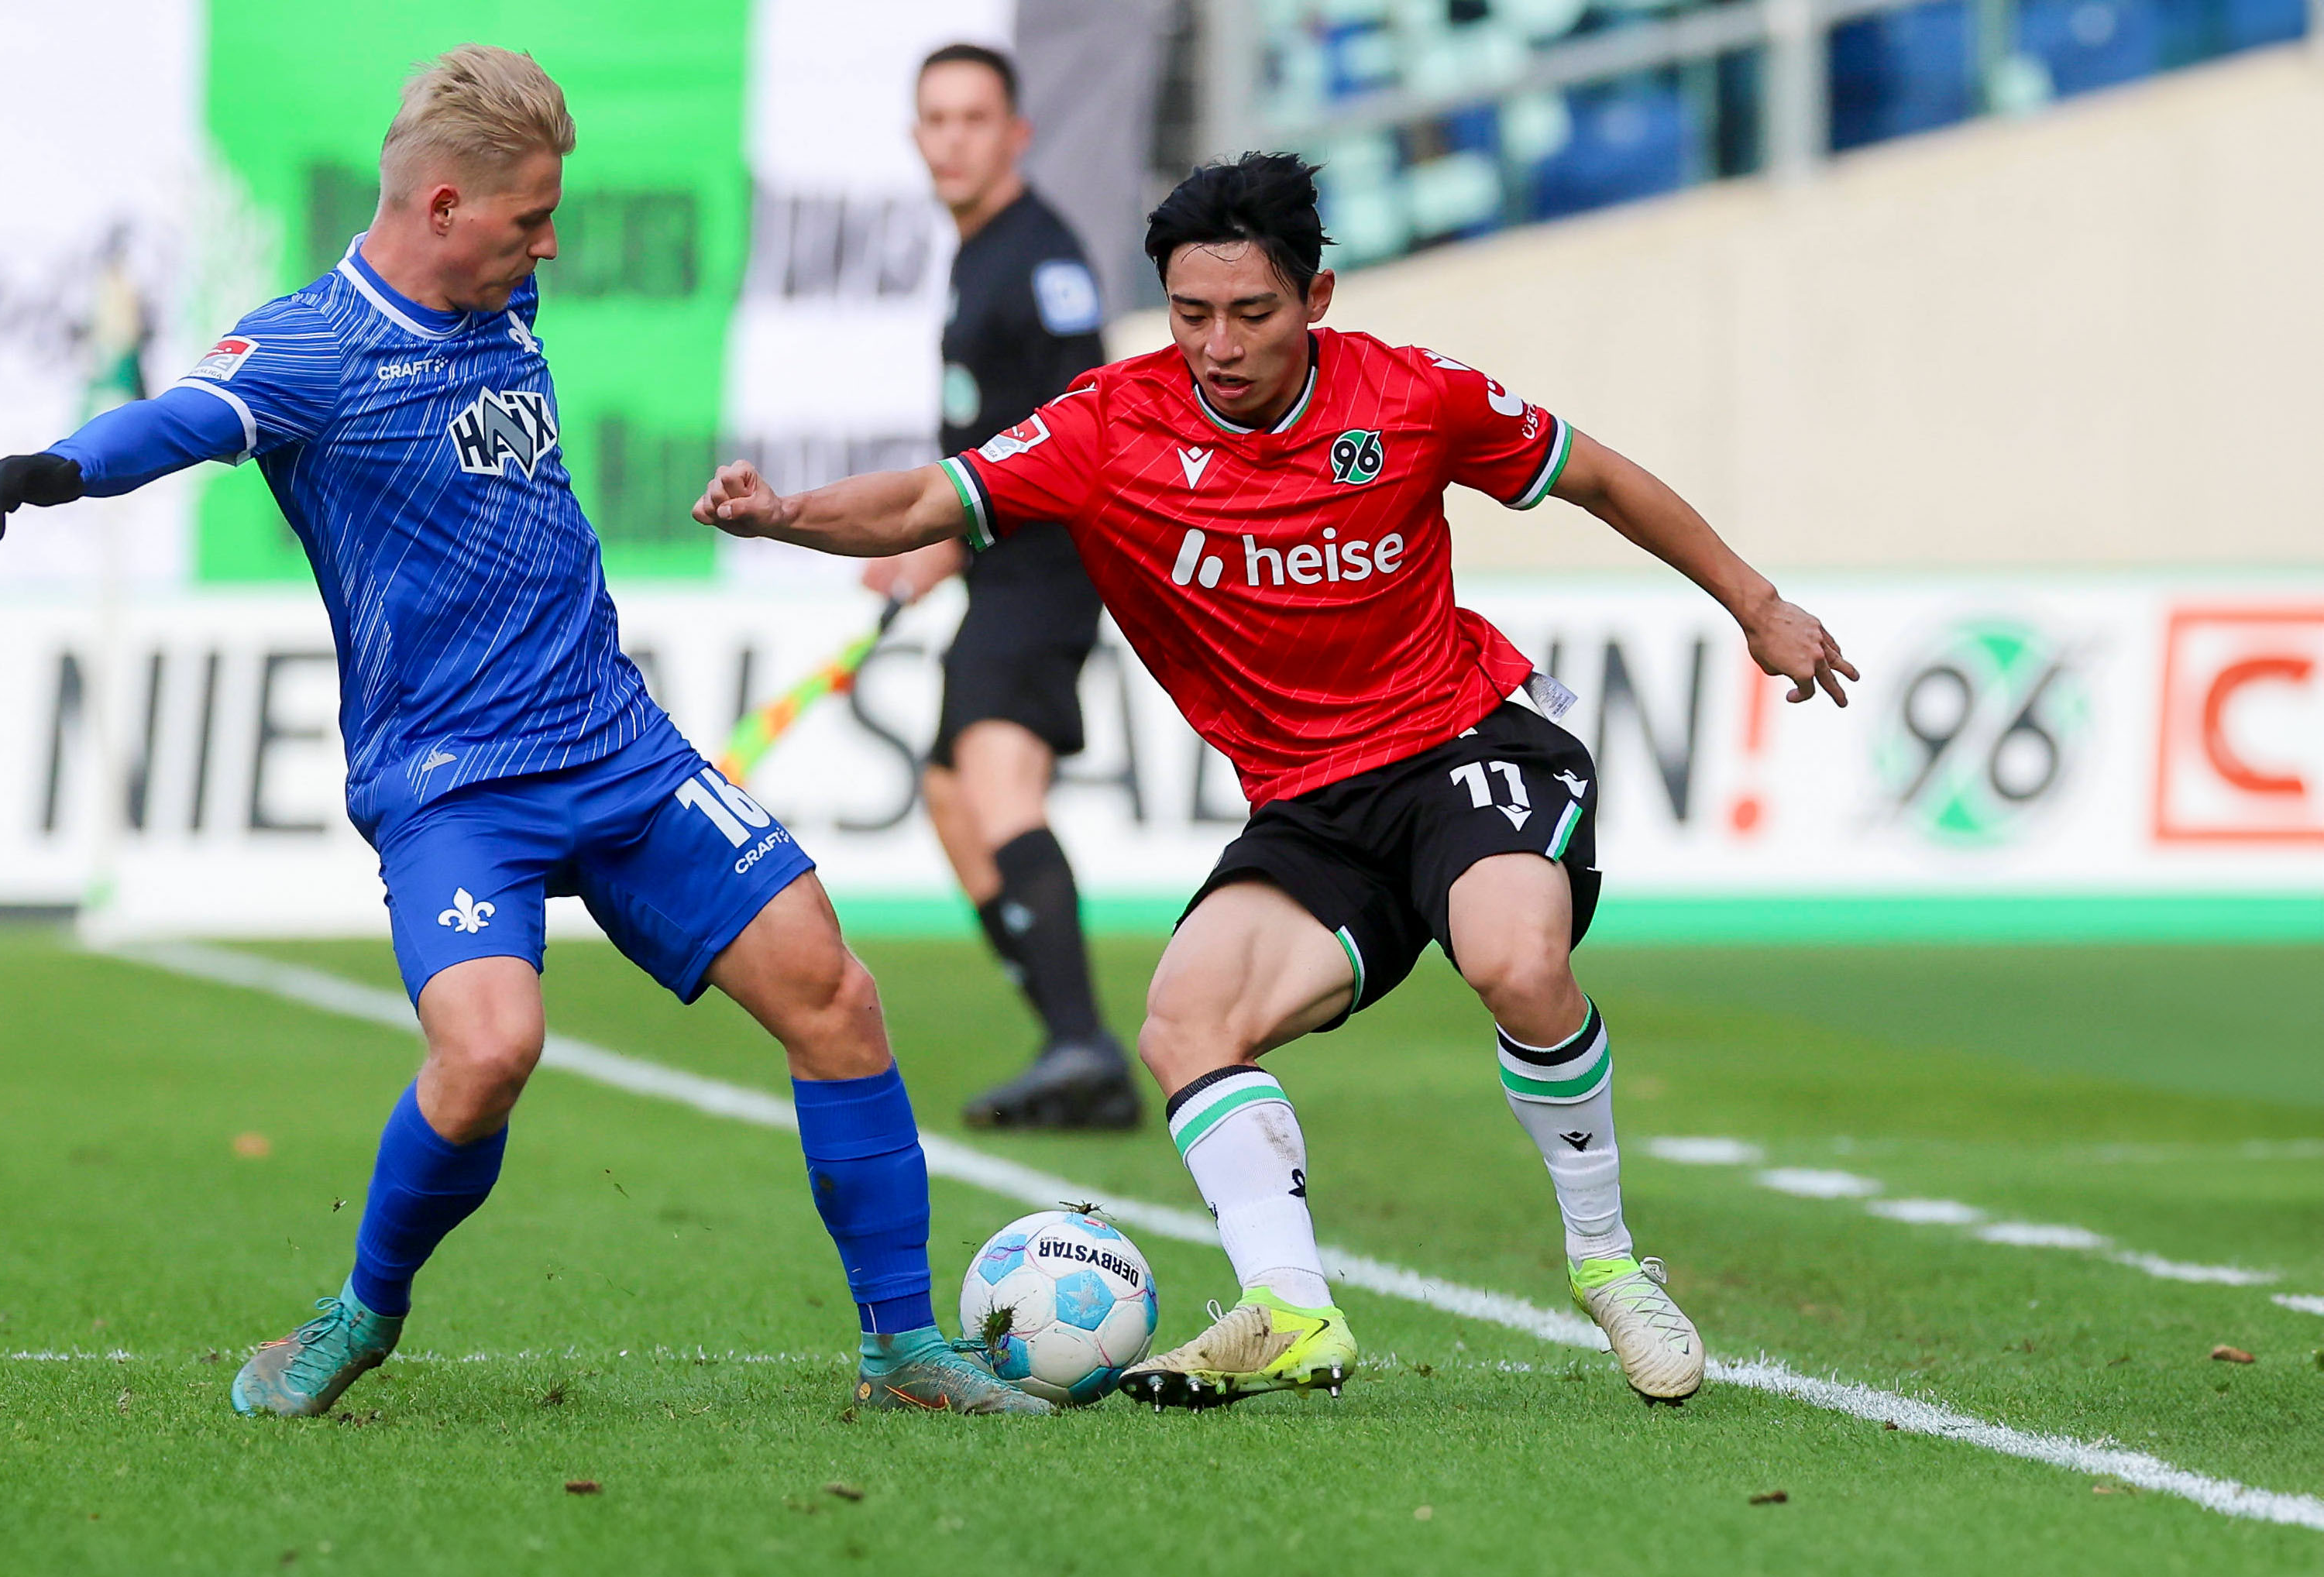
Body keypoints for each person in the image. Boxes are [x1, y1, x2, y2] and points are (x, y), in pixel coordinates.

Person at [0, 46, 1047, 1421]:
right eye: (530, 216)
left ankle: (902, 1353)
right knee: (486, 1053)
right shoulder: (309, 346)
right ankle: (359, 1314)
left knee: (837, 996)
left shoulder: (503, 287)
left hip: (621, 748)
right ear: (445, 207)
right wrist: (64, 470)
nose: (551, 242)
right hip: (452, 782)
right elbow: (188, 418)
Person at [694, 152, 1858, 1409]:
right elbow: (932, 495)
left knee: (1514, 960)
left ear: (1319, 298)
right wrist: (786, 514)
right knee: (1183, 1021)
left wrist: (1758, 605)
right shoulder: (1107, 427)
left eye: (1252, 314)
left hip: (1466, 743)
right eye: (1192, 315)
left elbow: (1601, 477)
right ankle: (1295, 1312)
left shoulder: (1413, 400)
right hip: (1311, 810)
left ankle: (1607, 1262)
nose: (1220, 345)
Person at [863, 43, 1136, 1131]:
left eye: (976, 118)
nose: (955, 139)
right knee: (947, 790)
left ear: (1015, 133)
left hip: (1050, 565)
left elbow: (1082, 426)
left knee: (996, 783)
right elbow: (994, 443)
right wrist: (939, 549)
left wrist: (954, 534)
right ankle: (1070, 1042)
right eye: (937, 119)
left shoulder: (1041, 257)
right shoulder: (979, 254)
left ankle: (1081, 1042)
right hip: (1002, 563)